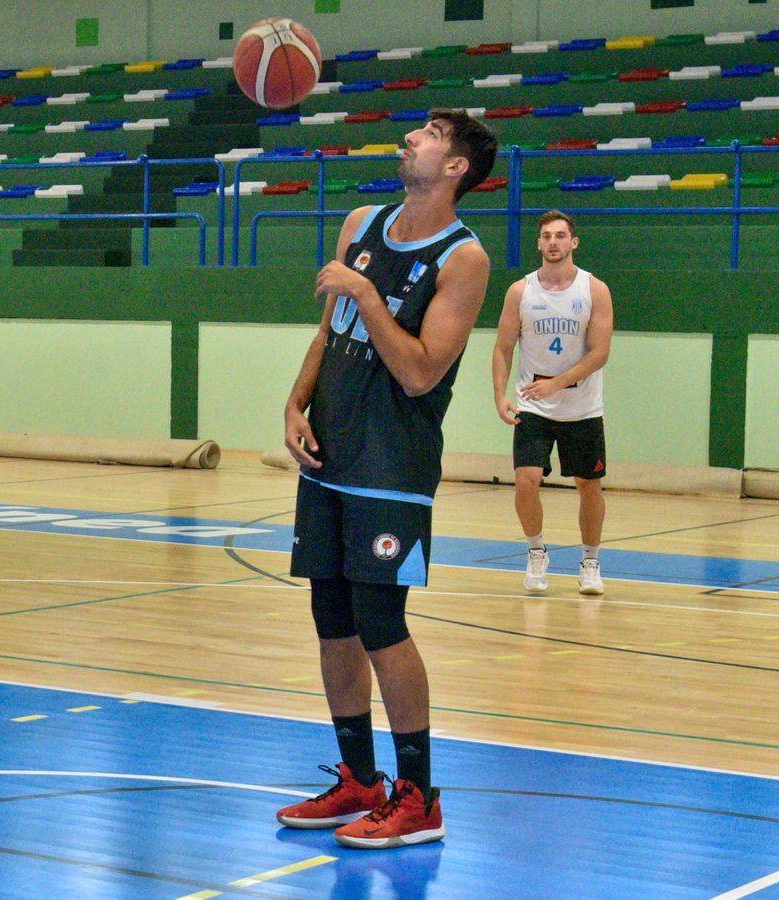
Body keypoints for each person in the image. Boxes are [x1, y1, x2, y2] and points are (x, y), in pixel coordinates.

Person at [275, 109, 498, 849]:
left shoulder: (464, 260)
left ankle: (419, 796)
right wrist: (296, 400)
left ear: (458, 165)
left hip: (392, 464)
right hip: (330, 455)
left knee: (381, 624)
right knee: (330, 619)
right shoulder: (362, 224)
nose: (412, 138)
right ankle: (358, 780)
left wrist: (368, 295)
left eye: (430, 135)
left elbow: (420, 371)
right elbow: (327, 330)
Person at [491, 210, 613, 595]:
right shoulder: (520, 291)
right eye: (546, 236)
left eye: (560, 235)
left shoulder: (594, 290)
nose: (553, 242)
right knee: (526, 480)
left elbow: (600, 353)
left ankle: (590, 561)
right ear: (538, 243)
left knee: (588, 485)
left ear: (573, 242)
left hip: (582, 407)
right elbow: (503, 347)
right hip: (534, 406)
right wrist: (499, 394)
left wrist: (558, 383)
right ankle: (536, 552)